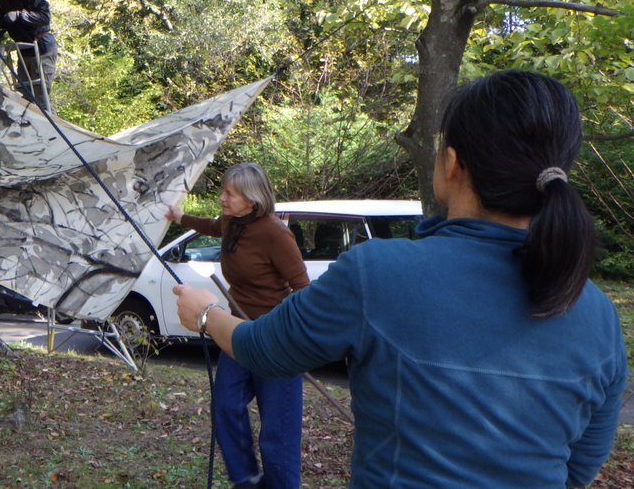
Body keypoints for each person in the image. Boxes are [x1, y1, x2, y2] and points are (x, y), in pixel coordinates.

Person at [174, 70, 627, 486]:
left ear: (452, 164)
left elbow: (264, 348)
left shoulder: (377, 273)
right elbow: (579, 468)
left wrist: (206, 314)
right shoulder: (598, 315)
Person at [166, 163, 309, 488]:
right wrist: (180, 218)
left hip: (276, 342)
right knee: (226, 406)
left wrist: (286, 327)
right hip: (238, 333)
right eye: (223, 191)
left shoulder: (275, 233)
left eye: (230, 193)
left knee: (278, 435)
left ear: (252, 199)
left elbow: (303, 288)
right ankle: (248, 481)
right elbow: (213, 226)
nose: (222, 198)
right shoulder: (232, 222)